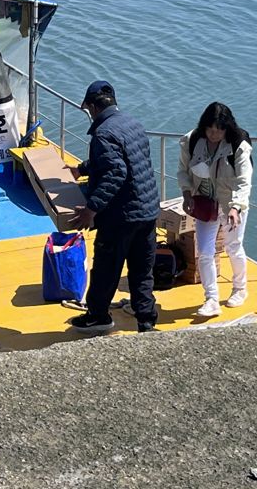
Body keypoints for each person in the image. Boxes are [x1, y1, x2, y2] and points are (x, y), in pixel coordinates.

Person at [67, 80, 160, 333]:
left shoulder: (103, 133)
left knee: (106, 268)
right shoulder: (132, 123)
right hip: (148, 209)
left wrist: (91, 210)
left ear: (94, 108)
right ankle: (146, 320)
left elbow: (116, 172)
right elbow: (124, 159)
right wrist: (83, 169)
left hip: (121, 215)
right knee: (142, 270)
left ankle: (98, 316)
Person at [176, 102, 253, 317]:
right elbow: (182, 171)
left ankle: (240, 288)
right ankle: (211, 298)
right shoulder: (191, 141)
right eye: (210, 130)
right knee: (204, 251)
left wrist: (236, 207)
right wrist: (187, 193)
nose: (214, 134)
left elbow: (244, 182)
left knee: (233, 246)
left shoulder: (239, 146)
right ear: (204, 127)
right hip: (205, 203)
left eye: (219, 130)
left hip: (231, 205)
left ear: (227, 128)